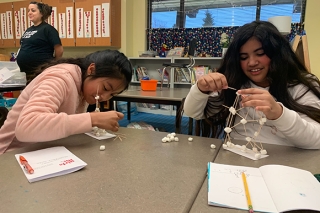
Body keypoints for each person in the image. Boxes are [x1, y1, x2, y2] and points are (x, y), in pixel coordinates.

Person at [183, 20, 320, 149]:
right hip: (237, 163)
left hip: (286, 166)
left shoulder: (300, 86)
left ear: (277, 54)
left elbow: (316, 139)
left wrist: (279, 114)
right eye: (244, 57)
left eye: (260, 54)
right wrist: (200, 89)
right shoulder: (234, 83)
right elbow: (193, 112)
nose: (252, 62)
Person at [0, 49, 132, 154]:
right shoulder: (59, 79)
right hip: (11, 156)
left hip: (44, 152)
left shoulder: (83, 88)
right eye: (105, 88)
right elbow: (26, 127)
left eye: (112, 94)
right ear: (92, 70)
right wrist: (91, 119)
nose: (104, 97)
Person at [16, 1, 63, 82]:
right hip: (27, 73)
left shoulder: (48, 29)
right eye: (28, 10)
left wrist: (53, 63)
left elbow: (59, 49)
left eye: (33, 10)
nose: (29, 13)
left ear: (41, 13)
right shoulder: (29, 29)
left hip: (41, 72)